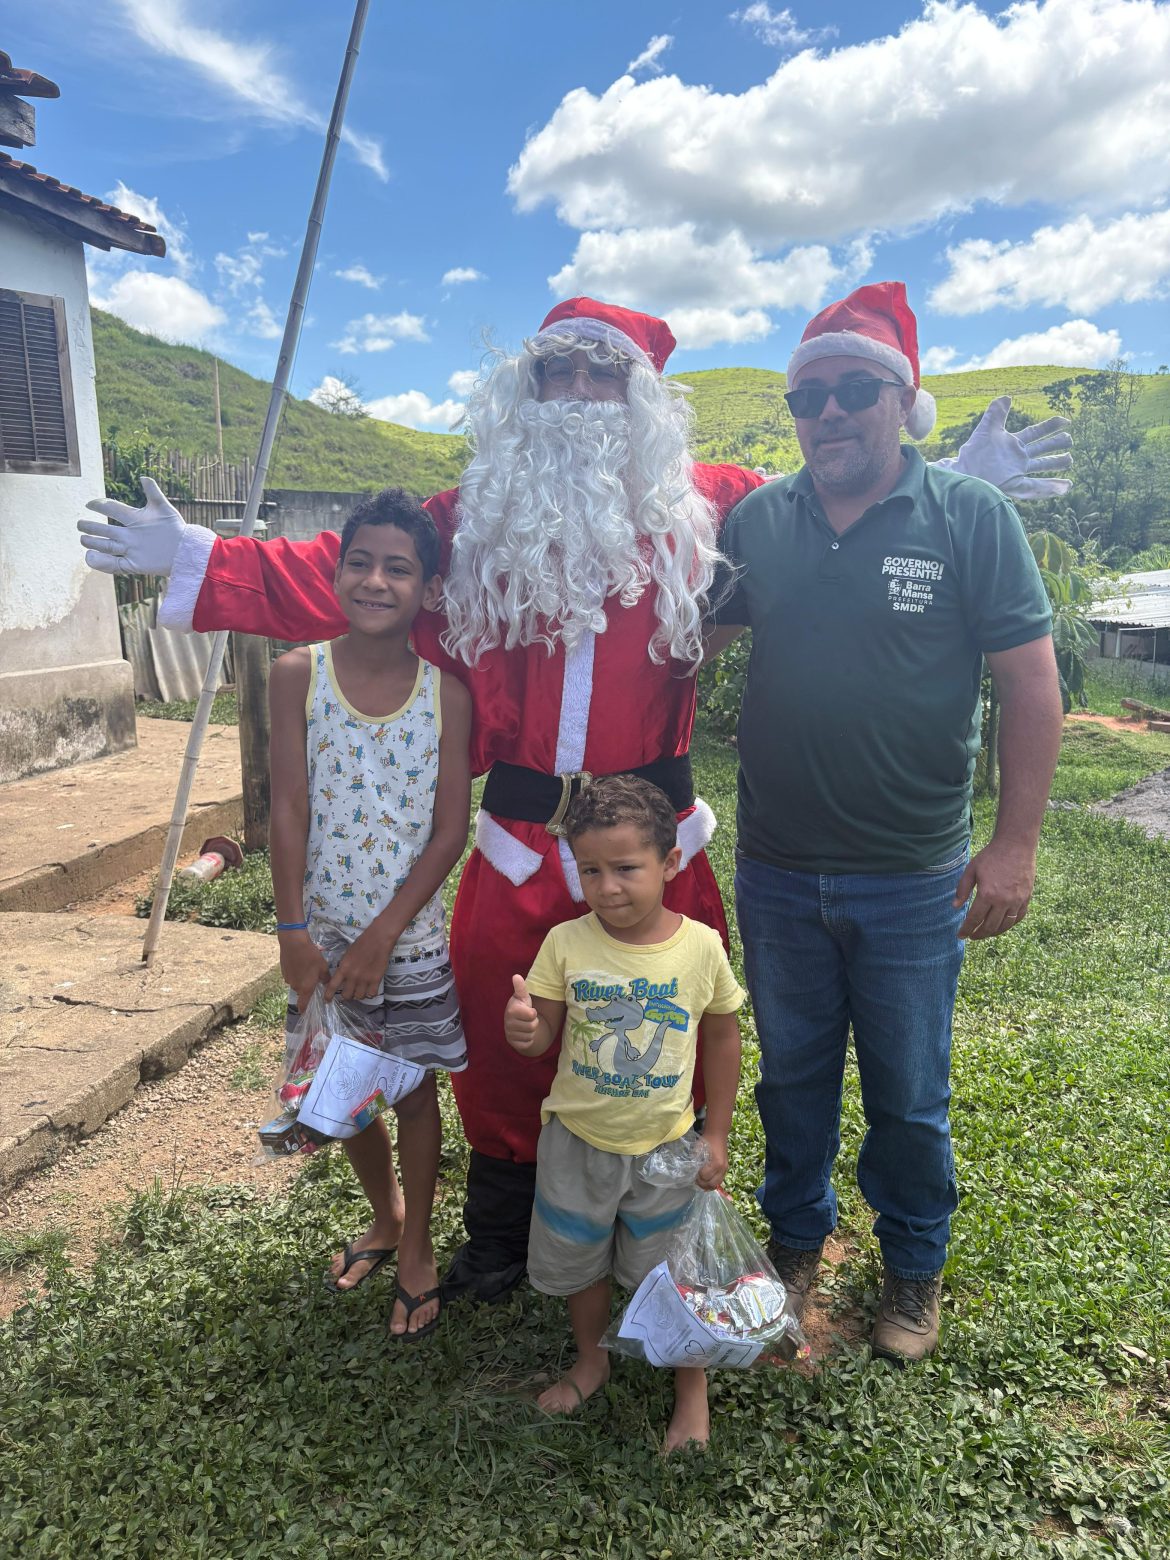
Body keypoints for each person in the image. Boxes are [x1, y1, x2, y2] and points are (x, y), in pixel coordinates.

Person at [77, 295, 1071, 1308]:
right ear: (531, 389)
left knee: (661, 1027)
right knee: (503, 1033)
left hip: (655, 842)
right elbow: (355, 575)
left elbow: (834, 493)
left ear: (642, 399)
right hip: (517, 843)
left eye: (606, 377)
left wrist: (949, 481)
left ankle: (656, 1225)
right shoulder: (477, 516)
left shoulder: (714, 504)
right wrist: (203, 557)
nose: (582, 396)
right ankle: (505, 1235)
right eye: (561, 374)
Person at [708, 282, 1065, 1362]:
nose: (827, 414)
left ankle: (913, 1270)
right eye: (805, 398)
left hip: (913, 875)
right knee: (792, 1077)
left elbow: (1032, 687)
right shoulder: (759, 521)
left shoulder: (970, 518)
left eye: (852, 390)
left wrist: (1012, 846)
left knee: (911, 1094)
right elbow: (684, 646)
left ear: (901, 403)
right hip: (776, 866)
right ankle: (798, 1244)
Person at [268, 487, 472, 1338]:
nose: (376, 580)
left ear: (428, 590)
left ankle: (418, 1243)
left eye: (399, 567)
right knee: (345, 1087)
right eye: (361, 562)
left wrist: (387, 936)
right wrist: (293, 934)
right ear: (337, 570)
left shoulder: (446, 695)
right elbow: (286, 810)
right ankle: (384, 1215)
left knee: (413, 1091)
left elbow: (450, 829)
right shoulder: (294, 674)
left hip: (411, 940)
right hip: (326, 937)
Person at [503, 774, 743, 1450]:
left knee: (674, 1273)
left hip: (667, 1149)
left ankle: (690, 1389)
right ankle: (592, 1358)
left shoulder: (699, 947)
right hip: (577, 1145)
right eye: (590, 870)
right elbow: (542, 1031)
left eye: (626, 868)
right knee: (580, 1264)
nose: (607, 886)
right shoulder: (566, 943)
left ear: (670, 863)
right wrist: (524, 1027)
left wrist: (715, 1133)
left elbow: (723, 1035)